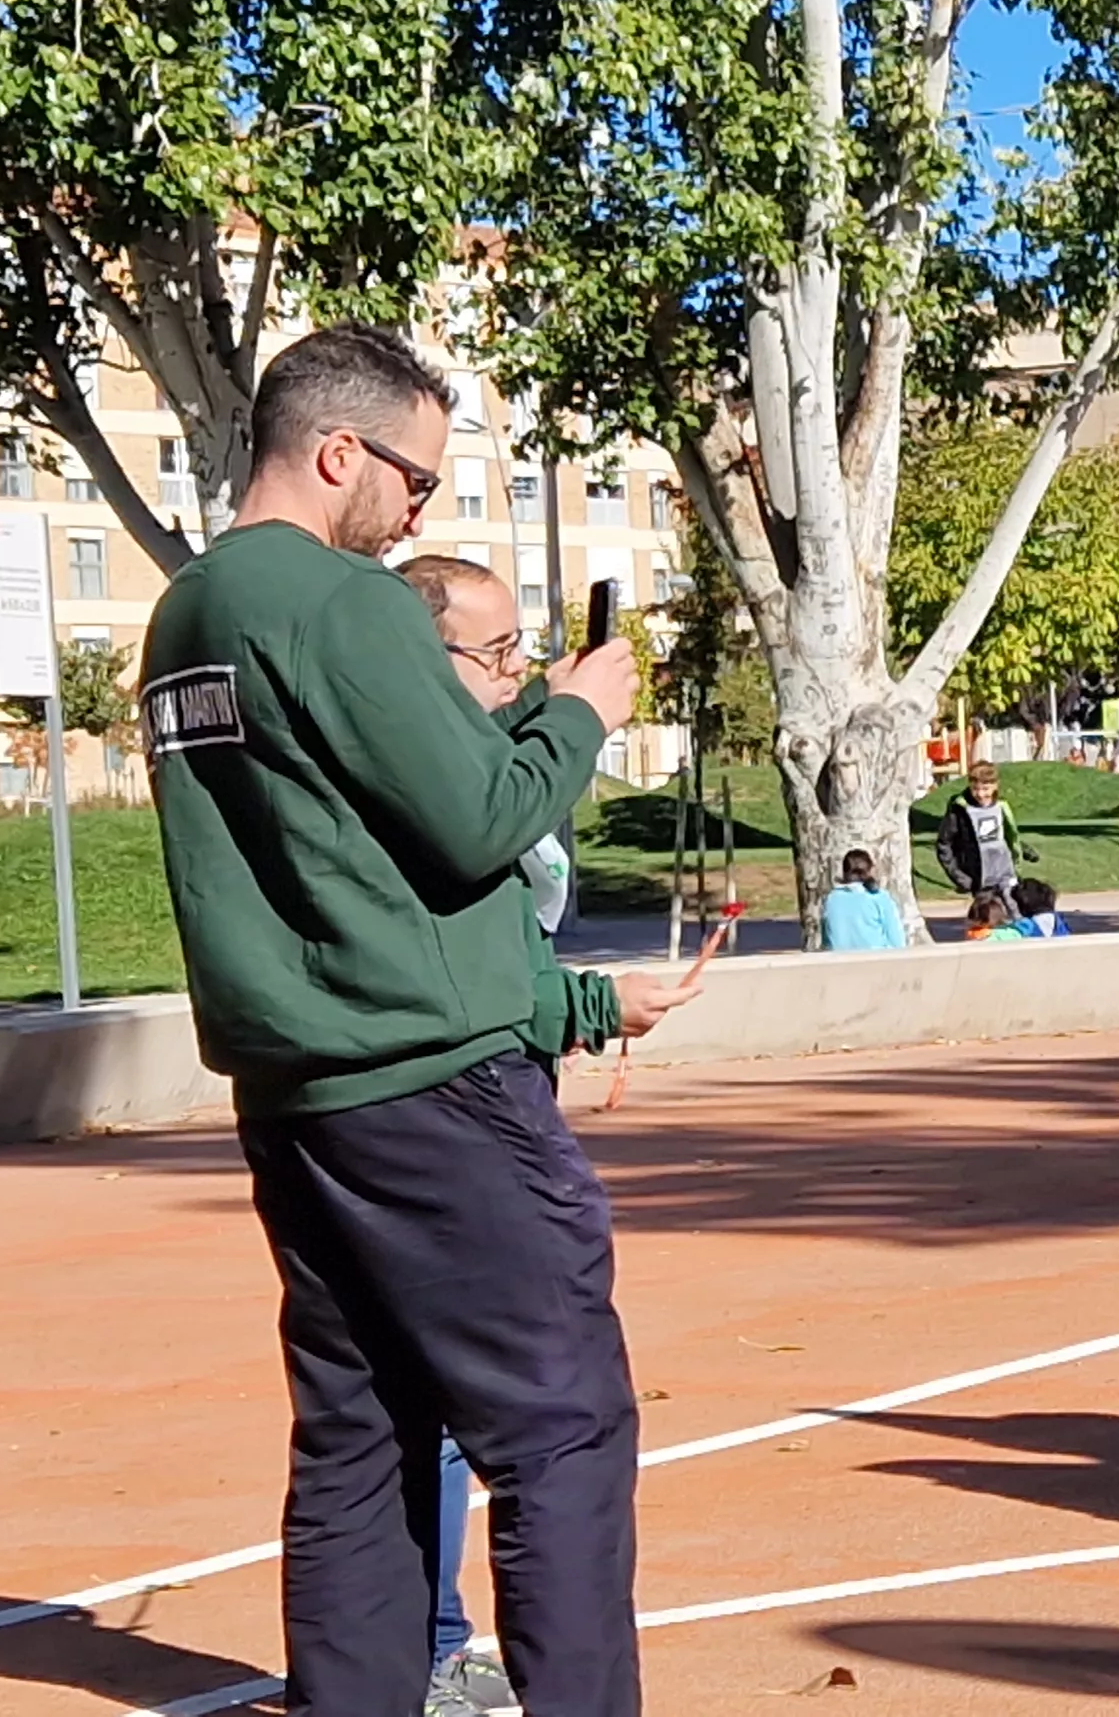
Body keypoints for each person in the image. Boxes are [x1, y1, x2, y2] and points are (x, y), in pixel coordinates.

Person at [142, 325, 674, 1713]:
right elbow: (479, 825)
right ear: (337, 453)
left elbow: (362, 817)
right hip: (433, 1087)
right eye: (417, 479)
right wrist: (576, 714)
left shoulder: (188, 615)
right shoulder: (341, 602)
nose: (421, 510)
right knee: (562, 1435)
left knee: (357, 1440)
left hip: (299, 1089)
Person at [394, 553, 702, 1714]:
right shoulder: (439, 781)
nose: (519, 669)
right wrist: (588, 1008)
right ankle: (437, 1656)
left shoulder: (471, 751)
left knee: (405, 1400)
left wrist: (557, 699)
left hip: (466, 1086)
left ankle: (416, 1651)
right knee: (534, 1409)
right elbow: (480, 949)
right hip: (464, 1105)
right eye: (498, 652)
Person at [935, 761, 1031, 905]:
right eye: (975, 789)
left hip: (1006, 873)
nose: (980, 794)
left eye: (985, 789)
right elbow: (944, 844)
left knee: (1014, 912)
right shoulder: (960, 810)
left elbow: (1005, 836)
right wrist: (960, 877)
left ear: (995, 786)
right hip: (980, 879)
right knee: (988, 918)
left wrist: (1024, 850)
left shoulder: (1001, 805)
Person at [821, 850, 915, 951]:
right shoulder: (879, 897)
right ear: (870, 870)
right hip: (876, 960)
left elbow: (827, 938)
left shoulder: (831, 899)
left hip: (839, 961)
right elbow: (897, 942)